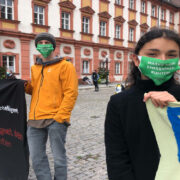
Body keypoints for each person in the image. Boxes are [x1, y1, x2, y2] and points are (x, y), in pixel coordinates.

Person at [105, 28, 180, 180]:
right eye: (153, 54)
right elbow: (117, 160)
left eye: (171, 55)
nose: (163, 60)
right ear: (136, 59)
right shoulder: (119, 103)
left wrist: (176, 110)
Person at [25, 32, 78, 180]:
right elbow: (35, 90)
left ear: (53, 47)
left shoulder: (65, 66)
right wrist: (23, 86)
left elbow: (71, 93)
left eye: (46, 42)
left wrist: (60, 117)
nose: (43, 45)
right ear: (36, 47)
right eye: (40, 43)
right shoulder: (35, 68)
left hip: (55, 119)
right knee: (36, 157)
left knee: (59, 158)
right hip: (35, 120)